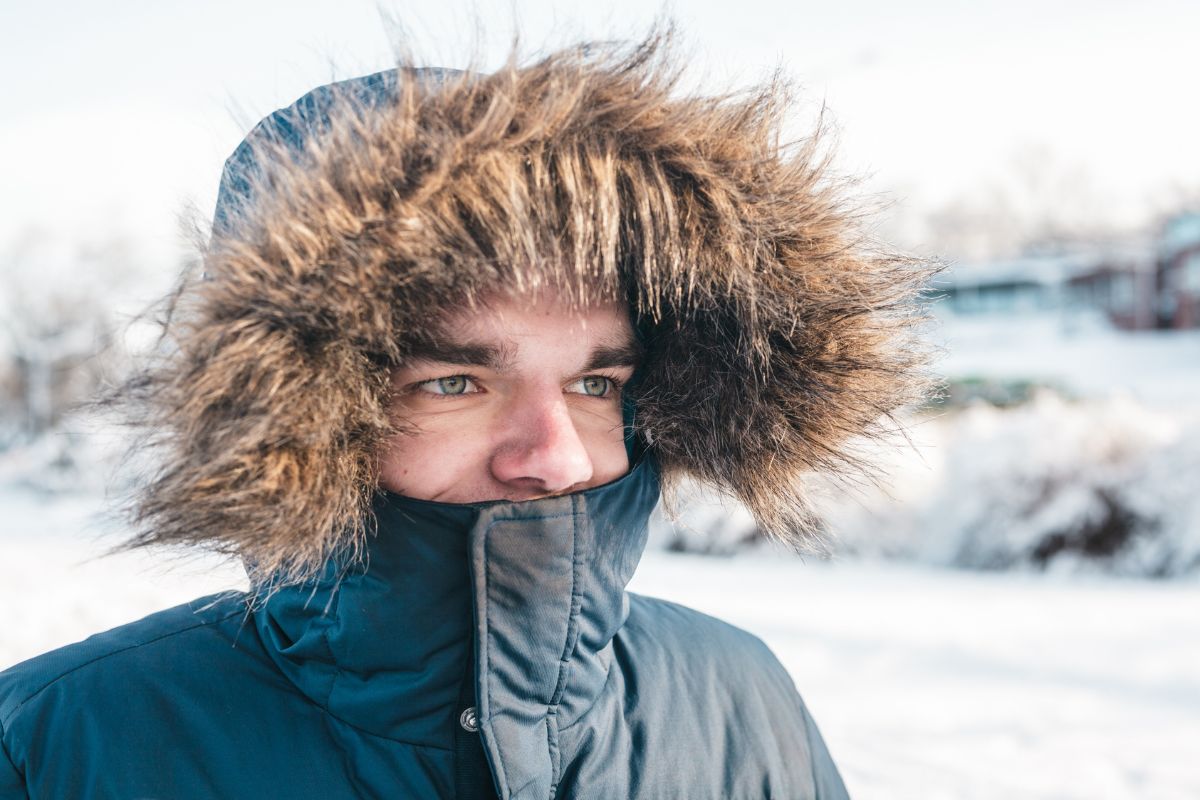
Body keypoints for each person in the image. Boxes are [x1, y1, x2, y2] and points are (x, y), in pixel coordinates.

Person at [0, 26, 934, 799]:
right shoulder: (61, 745)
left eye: (595, 385)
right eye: (455, 383)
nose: (555, 459)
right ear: (299, 419)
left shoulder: (739, 697)